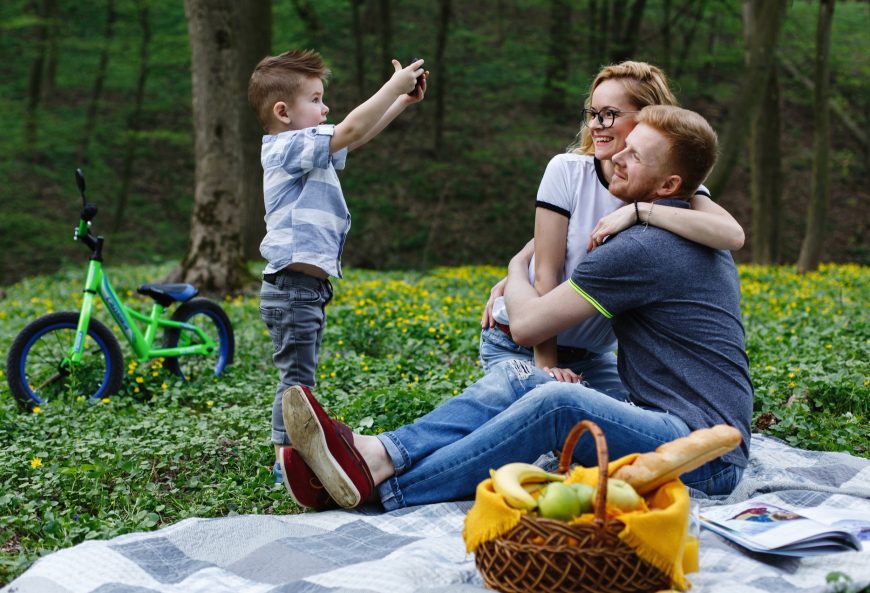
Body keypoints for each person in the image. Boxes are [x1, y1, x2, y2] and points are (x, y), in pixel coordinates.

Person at [278, 105, 753, 511]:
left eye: (636, 155)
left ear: (669, 185)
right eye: (624, 145)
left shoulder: (645, 246)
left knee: (557, 402)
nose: (616, 156)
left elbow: (526, 324)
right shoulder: (686, 222)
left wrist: (515, 266)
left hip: (703, 456)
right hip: (673, 427)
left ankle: (384, 490)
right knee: (528, 378)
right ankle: (375, 454)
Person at [479, 61, 744, 391]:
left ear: (647, 116)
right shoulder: (567, 172)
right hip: (520, 345)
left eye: (608, 114)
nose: (595, 125)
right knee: (539, 425)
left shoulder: (665, 183)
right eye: (592, 113)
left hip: (592, 358)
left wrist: (640, 211)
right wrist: (547, 371)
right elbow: (547, 275)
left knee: (619, 435)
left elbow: (732, 235)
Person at [246, 50, 427, 468]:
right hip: (292, 290)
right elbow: (349, 128)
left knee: (298, 381)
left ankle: (288, 456)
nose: (324, 107)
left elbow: (355, 135)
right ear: (283, 112)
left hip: (304, 290)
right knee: (297, 384)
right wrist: (391, 87)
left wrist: (401, 101)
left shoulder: (304, 146)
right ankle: (285, 462)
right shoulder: (283, 148)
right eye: (315, 99)